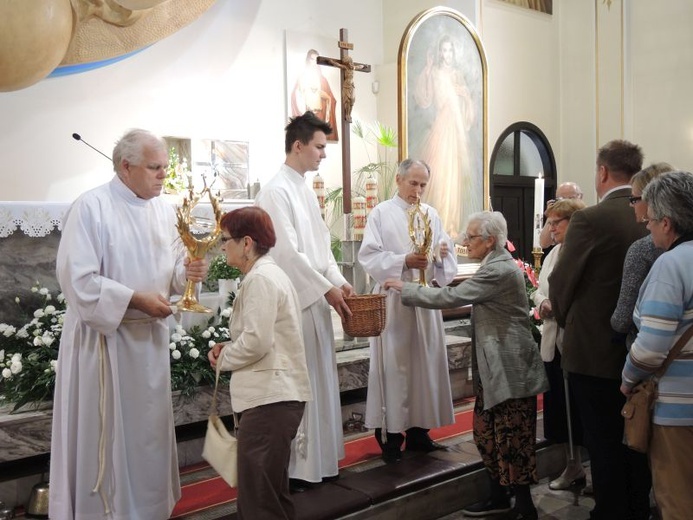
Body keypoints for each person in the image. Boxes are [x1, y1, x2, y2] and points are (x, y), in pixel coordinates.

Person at [49, 128, 209, 519]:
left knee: (146, 437)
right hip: (104, 344)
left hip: (148, 345)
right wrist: (136, 300)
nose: (162, 176)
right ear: (126, 167)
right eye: (154, 168)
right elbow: (79, 282)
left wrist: (188, 272)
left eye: (164, 168)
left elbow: (171, 269)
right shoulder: (91, 207)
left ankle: (149, 509)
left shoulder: (165, 210)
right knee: (106, 435)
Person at [385, 211, 548, 520]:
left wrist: (406, 289)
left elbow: (453, 296)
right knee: (487, 433)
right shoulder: (495, 263)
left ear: (489, 241)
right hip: (496, 368)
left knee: (514, 437)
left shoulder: (498, 270)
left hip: (510, 368)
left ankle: (524, 507)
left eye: (471, 237)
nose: (464, 241)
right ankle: (499, 495)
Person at [549, 139, 651, 520]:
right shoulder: (649, 214)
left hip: (595, 352)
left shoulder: (591, 219)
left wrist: (559, 314)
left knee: (603, 443)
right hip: (642, 349)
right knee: (636, 443)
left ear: (603, 172)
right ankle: (636, 508)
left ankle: (609, 512)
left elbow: (562, 282)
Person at [255, 111, 354, 491]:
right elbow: (287, 255)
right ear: (298, 146)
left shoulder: (303, 189)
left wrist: (340, 283)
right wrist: (324, 289)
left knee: (318, 381)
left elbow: (321, 248)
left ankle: (320, 462)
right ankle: (299, 468)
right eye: (319, 147)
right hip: (295, 306)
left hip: (313, 301)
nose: (323, 155)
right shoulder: (276, 190)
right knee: (300, 386)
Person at [208, 206, 312, 520]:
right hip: (275, 399)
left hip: (270, 401)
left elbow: (256, 342)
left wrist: (223, 358)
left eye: (226, 239)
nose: (223, 246)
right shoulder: (269, 273)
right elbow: (265, 335)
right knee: (271, 497)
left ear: (247, 243)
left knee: (260, 503)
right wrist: (232, 345)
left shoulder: (261, 279)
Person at [357, 159, 457, 463]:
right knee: (395, 368)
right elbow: (369, 256)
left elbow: (445, 260)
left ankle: (419, 431)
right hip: (395, 302)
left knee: (423, 366)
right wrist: (403, 260)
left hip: (424, 301)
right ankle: (391, 436)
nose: (418, 190)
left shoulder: (431, 214)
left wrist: (440, 256)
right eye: (413, 183)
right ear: (398, 180)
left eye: (423, 184)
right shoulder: (381, 214)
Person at [620, 170, 693, 520]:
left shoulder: (672, 264)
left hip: (678, 410)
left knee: (677, 500)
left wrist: (627, 378)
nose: (646, 227)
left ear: (667, 222)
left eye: (650, 221)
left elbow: (650, 348)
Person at [532, 198, 587, 490]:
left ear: (573, 222)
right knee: (559, 410)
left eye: (557, 222)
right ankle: (572, 463)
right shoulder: (553, 254)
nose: (551, 229)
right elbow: (538, 289)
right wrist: (542, 302)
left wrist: (557, 305)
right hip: (552, 340)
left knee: (577, 410)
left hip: (571, 340)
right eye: (549, 222)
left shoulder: (580, 252)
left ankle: (582, 465)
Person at [414, 34, 479, 237]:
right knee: (441, 174)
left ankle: (451, 225)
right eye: (444, 50)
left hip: (456, 126)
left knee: (455, 176)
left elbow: (468, 107)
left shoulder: (457, 75)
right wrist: (426, 69)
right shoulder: (433, 72)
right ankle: (436, 224)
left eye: (450, 50)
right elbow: (424, 99)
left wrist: (465, 96)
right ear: (439, 52)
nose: (447, 54)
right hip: (442, 126)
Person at [611, 162, 674, 346]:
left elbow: (622, 319)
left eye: (634, 199)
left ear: (651, 198)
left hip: (648, 349)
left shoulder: (643, 249)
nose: (631, 205)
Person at [291, 49, 339, 141]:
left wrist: (328, 113)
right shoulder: (302, 77)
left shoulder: (323, 80)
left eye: (317, 59)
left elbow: (330, 98)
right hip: (308, 115)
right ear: (308, 60)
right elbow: (295, 96)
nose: (314, 62)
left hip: (320, 115)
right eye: (312, 59)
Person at [539, 181, 584, 249]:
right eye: (561, 199)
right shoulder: (556, 219)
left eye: (571, 198)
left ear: (580, 197)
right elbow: (544, 243)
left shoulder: (587, 216)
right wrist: (551, 216)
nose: (566, 203)